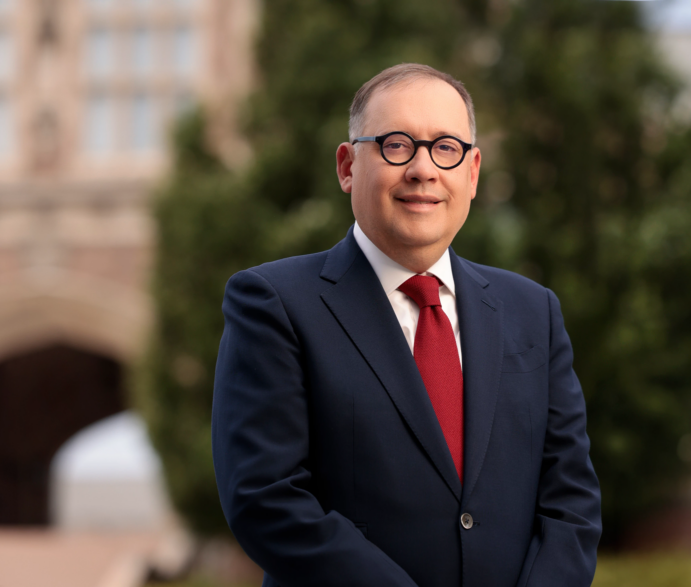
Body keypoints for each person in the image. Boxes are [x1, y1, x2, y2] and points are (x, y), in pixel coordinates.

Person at [212, 63, 601, 587]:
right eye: (397, 145)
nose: (423, 169)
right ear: (348, 166)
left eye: (446, 148)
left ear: (473, 172)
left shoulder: (534, 311)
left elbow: (570, 503)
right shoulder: (274, 304)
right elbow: (267, 499)